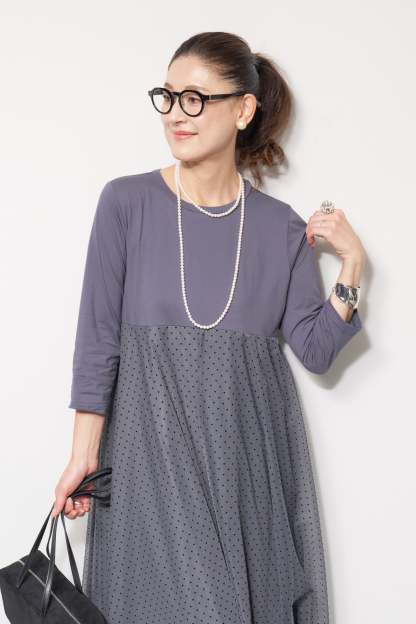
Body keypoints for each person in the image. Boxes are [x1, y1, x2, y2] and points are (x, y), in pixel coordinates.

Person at [52, 31, 366, 624]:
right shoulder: (126, 203)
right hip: (146, 463)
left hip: (242, 468)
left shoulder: (280, 228)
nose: (176, 114)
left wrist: (351, 266)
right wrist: (82, 455)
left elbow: (317, 350)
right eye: (168, 97)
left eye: (195, 99)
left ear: (243, 110)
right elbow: (97, 340)